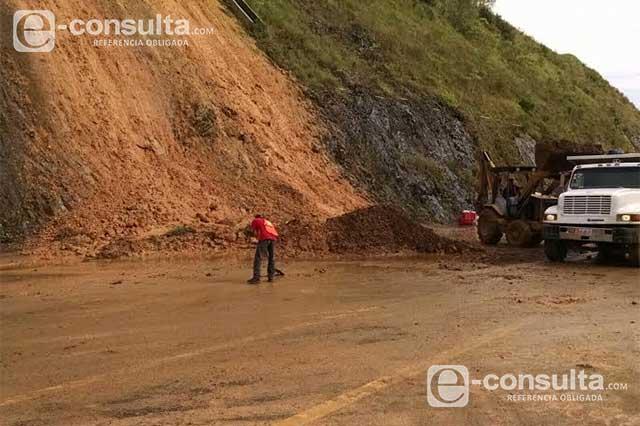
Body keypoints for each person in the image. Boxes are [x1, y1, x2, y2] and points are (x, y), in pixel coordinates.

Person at [247, 215, 279, 285]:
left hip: (265, 238)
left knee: (258, 258)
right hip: (273, 239)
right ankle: (271, 277)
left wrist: (253, 239)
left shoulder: (256, 220)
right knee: (271, 258)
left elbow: (252, 231)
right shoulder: (267, 222)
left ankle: (256, 278)